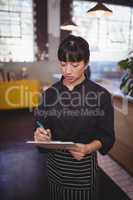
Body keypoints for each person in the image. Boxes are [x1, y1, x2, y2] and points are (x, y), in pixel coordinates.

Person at [34, 35, 115, 200]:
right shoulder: (49, 94)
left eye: (75, 64)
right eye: (63, 64)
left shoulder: (101, 96)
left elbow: (107, 136)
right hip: (55, 168)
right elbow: (40, 126)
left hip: (83, 170)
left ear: (86, 63)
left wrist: (87, 148)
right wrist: (40, 136)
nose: (67, 71)